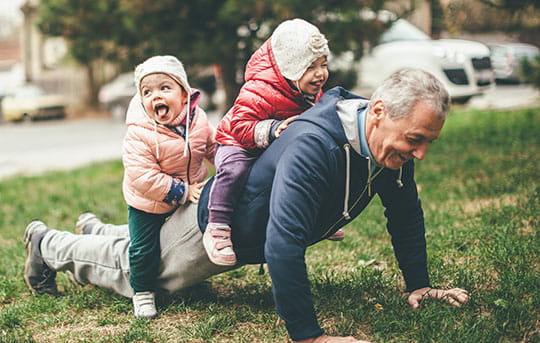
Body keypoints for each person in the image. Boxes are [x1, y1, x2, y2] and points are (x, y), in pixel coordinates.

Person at [23, 69, 469, 343]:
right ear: (377, 112)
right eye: (415, 139)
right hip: (212, 229)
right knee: (134, 271)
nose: (421, 153)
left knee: (142, 246)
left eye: (428, 141)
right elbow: (283, 242)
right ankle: (47, 245)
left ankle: (99, 229)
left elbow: (405, 212)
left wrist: (420, 285)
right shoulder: (317, 144)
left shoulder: (386, 147)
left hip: (236, 228)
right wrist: (308, 335)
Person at [204, 18, 344, 267]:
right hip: (238, 141)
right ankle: (217, 225)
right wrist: (271, 129)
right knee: (234, 170)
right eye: (311, 67)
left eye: (323, 64)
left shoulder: (308, 91)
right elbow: (239, 125)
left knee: (308, 168)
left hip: (274, 143)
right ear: (289, 67)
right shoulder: (257, 90)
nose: (320, 73)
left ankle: (317, 217)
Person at [121, 55, 215, 318]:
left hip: (190, 189)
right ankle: (142, 292)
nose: (155, 96)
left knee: (189, 237)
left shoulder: (198, 119)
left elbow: (211, 146)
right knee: (143, 247)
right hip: (148, 200)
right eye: (147, 92)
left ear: (185, 94)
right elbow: (142, 175)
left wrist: (228, 161)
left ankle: (191, 277)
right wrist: (182, 192)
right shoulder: (140, 132)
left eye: (165, 88)